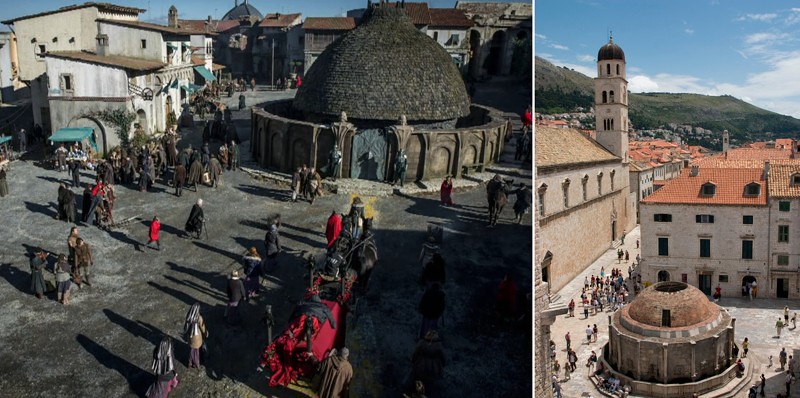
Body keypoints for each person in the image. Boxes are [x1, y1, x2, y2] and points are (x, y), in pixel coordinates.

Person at [412, 330, 445, 396]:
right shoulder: (438, 345)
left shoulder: (422, 343)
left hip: (422, 365)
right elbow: (443, 357)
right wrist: (442, 365)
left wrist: (413, 361)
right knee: (431, 383)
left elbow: (415, 353)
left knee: (420, 381)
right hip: (434, 367)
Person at [184, 303, 207, 369]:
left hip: (190, 336)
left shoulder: (189, 316)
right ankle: (196, 363)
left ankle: (190, 363)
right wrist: (206, 333)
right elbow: (203, 328)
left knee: (191, 350)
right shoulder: (199, 318)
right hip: (197, 338)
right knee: (197, 352)